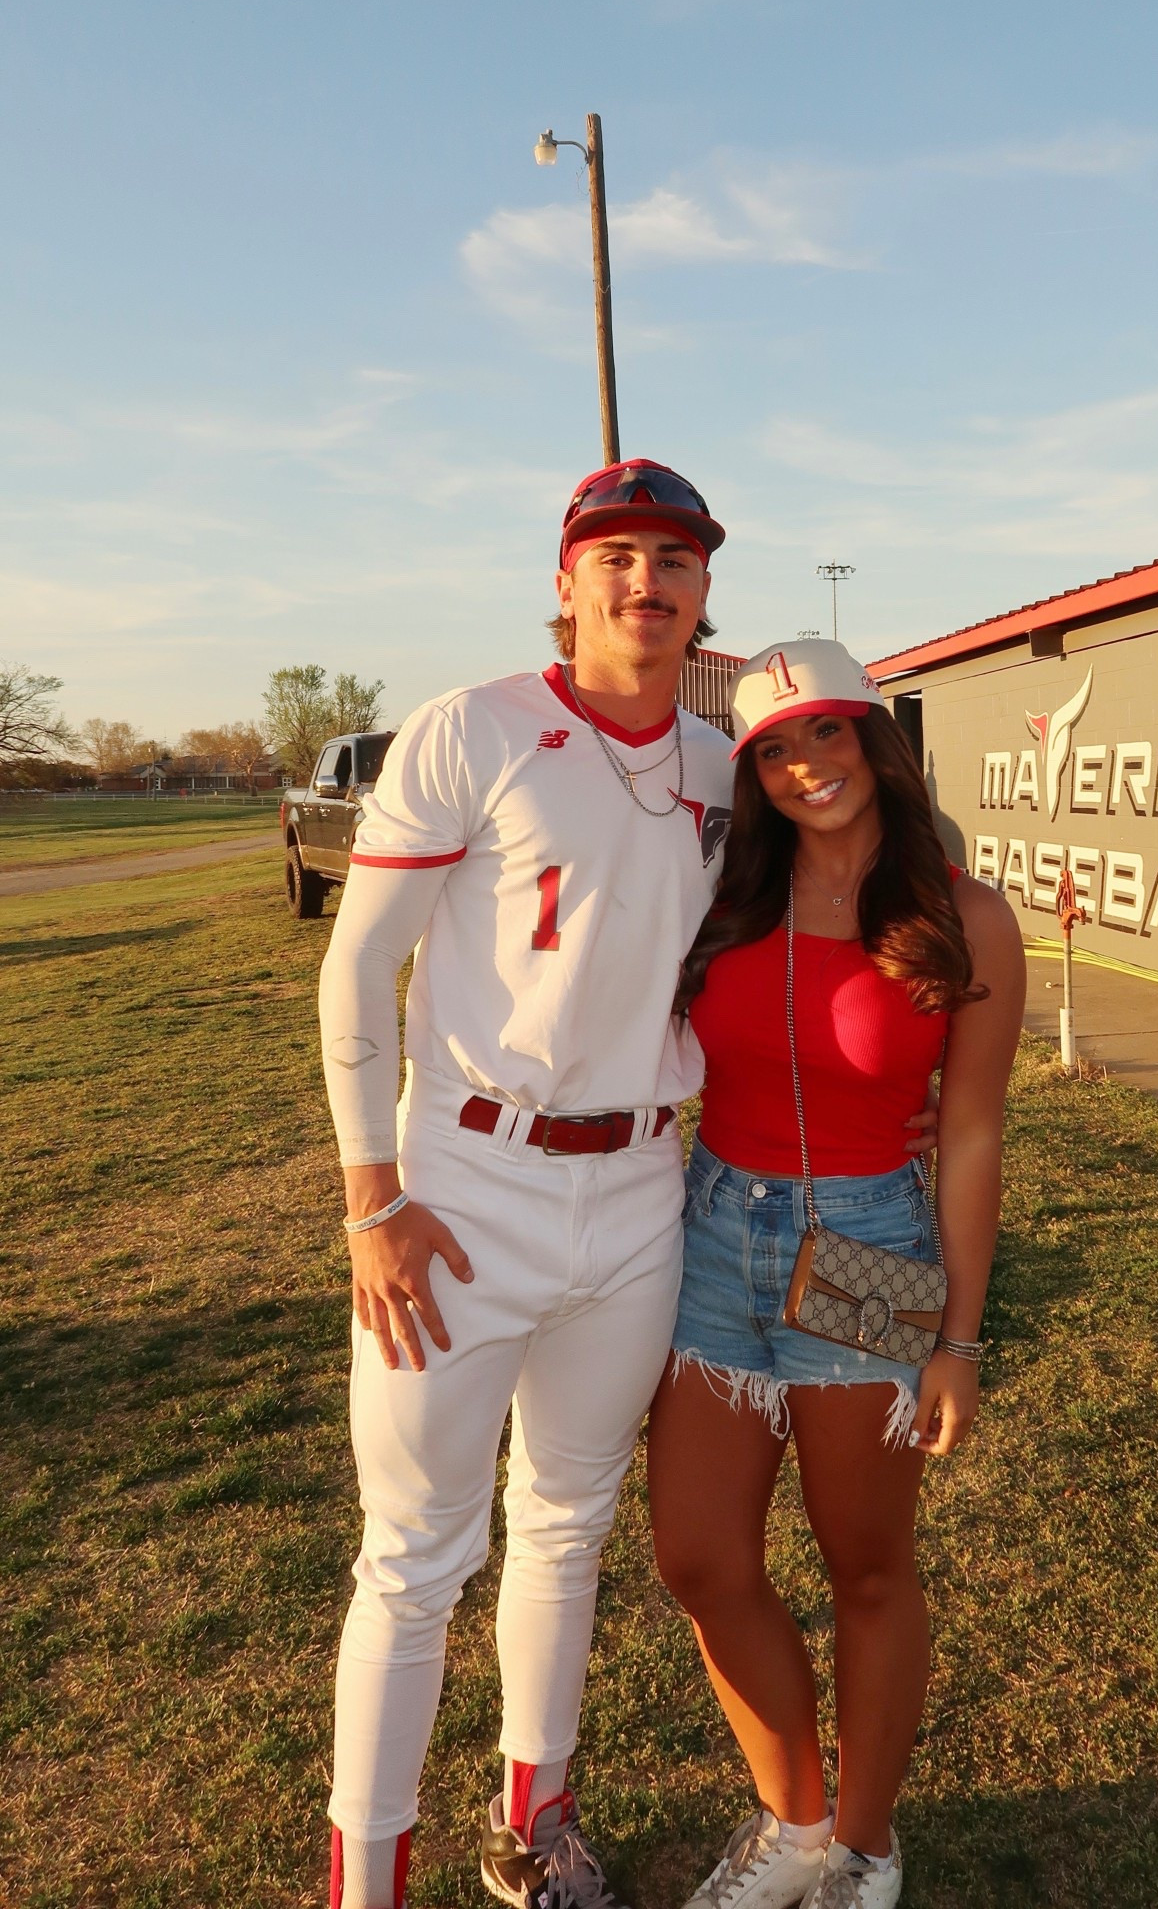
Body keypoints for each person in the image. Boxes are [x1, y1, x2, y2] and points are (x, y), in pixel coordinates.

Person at [316, 460, 738, 1909]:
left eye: (672, 558)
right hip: (464, 1183)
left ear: (702, 590)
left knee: (568, 1522)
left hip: (636, 1188)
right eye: (614, 555)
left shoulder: (718, 767)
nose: (644, 580)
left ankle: (534, 1826)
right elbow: (358, 969)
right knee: (415, 1555)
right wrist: (373, 1200)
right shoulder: (476, 725)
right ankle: (366, 1883)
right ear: (566, 582)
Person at [648, 640, 1026, 1909]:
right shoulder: (722, 891)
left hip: (871, 1239)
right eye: (774, 747)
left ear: (875, 737)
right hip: (714, 1231)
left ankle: (863, 1846)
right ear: (749, 771)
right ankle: (795, 1822)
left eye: (827, 731)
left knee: (865, 1561)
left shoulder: (965, 915)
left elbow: (968, 1133)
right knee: (698, 1556)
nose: (806, 764)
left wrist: (957, 1337)